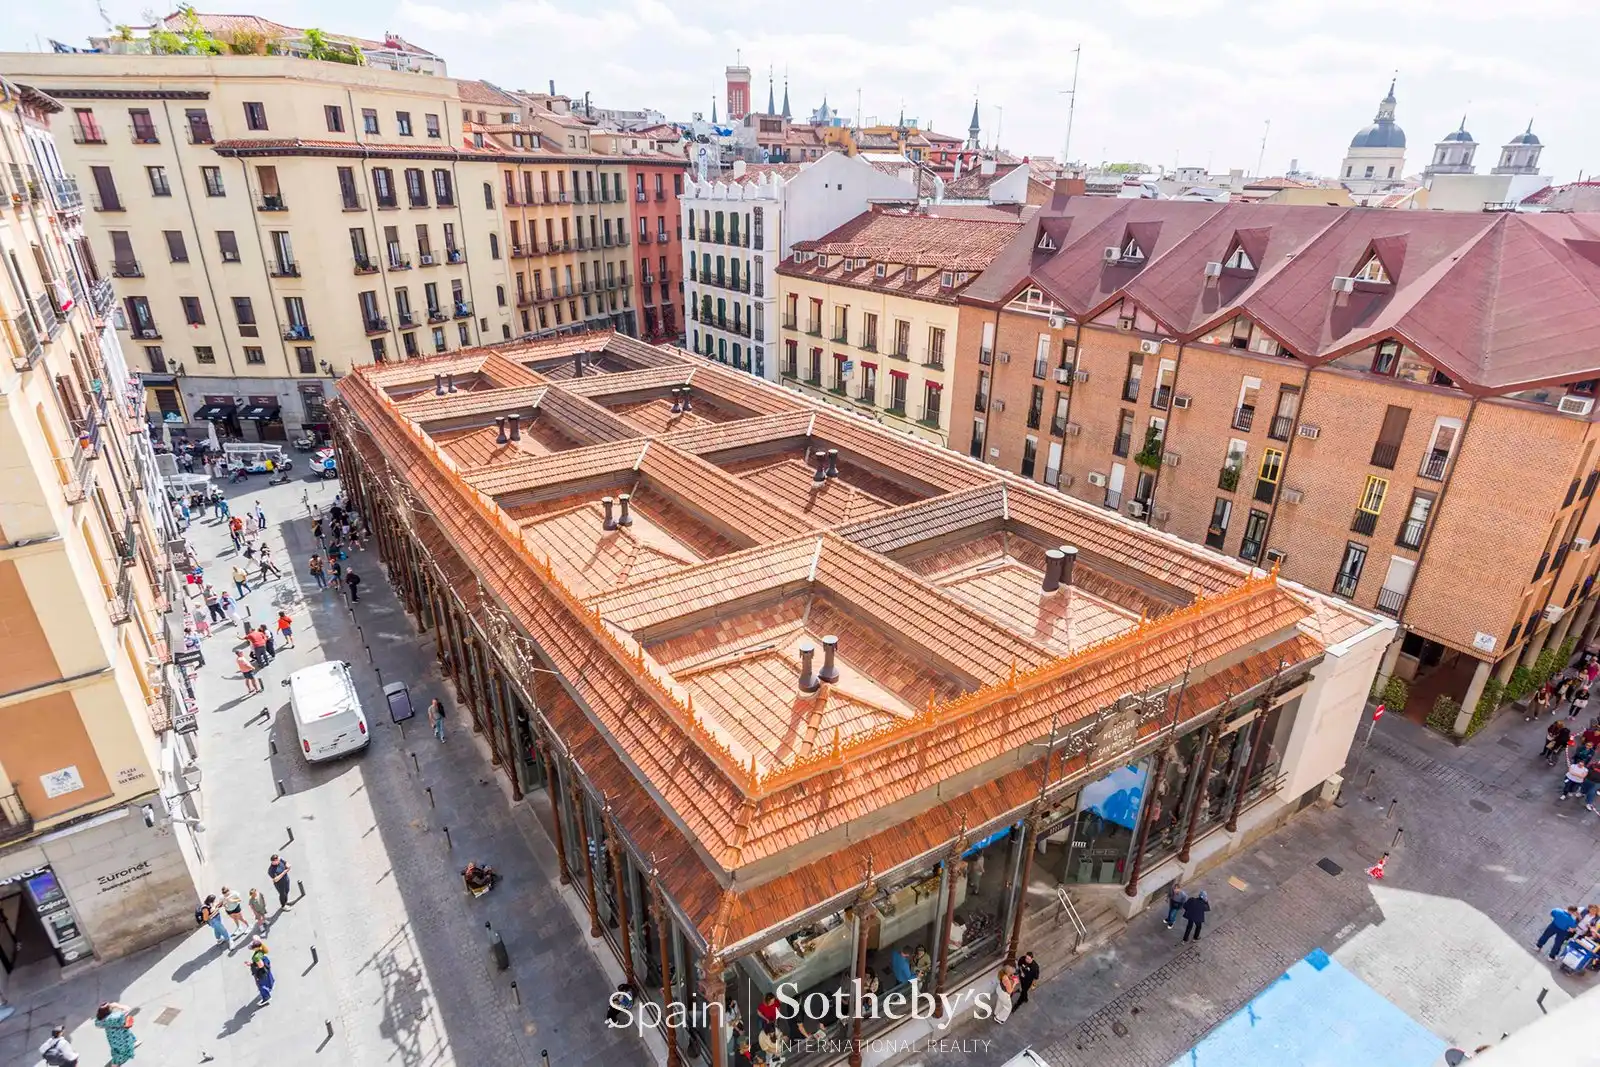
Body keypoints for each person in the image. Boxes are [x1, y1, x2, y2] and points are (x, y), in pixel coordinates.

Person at [248, 937, 274, 1005]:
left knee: (260, 984)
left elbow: (260, 965)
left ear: (256, 948)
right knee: (268, 975)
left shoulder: (256, 957)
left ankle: (266, 997)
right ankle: (271, 985)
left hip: (262, 969)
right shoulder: (262, 947)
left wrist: (251, 965)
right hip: (265, 962)